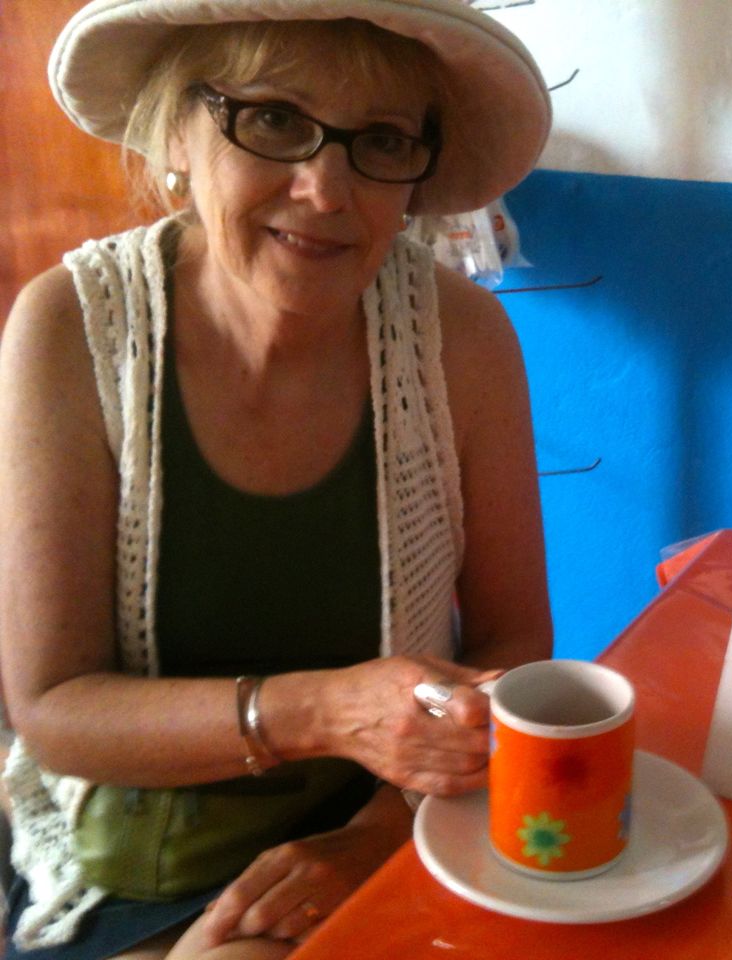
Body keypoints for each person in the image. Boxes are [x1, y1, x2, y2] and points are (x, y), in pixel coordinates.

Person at [0, 1, 554, 957]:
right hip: (139, 867)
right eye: (272, 119)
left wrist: (377, 835)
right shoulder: (71, 329)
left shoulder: (461, 341)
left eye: (381, 140)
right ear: (177, 132)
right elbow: (54, 709)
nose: (326, 190)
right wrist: (330, 711)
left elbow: (516, 643)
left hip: (398, 830)